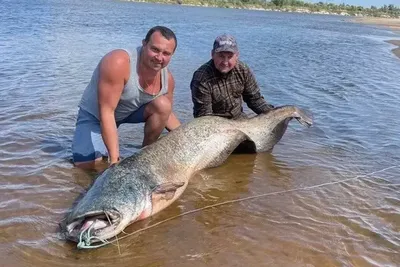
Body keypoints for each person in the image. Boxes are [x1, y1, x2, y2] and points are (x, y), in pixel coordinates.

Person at [72, 26, 181, 169]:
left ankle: (145, 155)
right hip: (96, 115)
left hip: (128, 112)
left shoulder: (168, 80)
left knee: (163, 104)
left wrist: (190, 139)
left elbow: (166, 114)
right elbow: (106, 112)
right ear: (144, 43)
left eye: (166, 53)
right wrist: (115, 161)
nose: (159, 58)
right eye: (155, 49)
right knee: (86, 165)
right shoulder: (118, 62)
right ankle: (105, 152)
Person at [190, 34, 274, 120]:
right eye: (221, 56)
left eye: (229, 57)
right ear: (212, 54)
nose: (225, 62)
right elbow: (204, 116)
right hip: (215, 125)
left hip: (240, 120)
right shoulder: (201, 78)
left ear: (237, 56)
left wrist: (275, 114)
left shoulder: (243, 70)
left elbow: (254, 100)